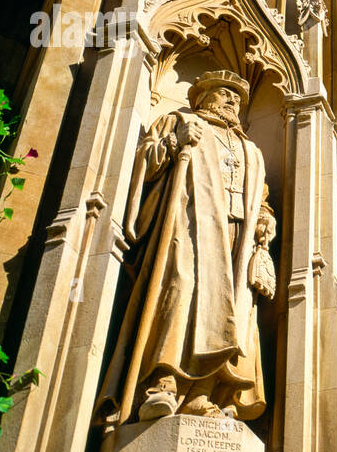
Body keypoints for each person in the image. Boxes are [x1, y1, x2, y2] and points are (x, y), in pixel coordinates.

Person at [98, 70, 276, 425]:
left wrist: (265, 219)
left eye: (238, 98)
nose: (232, 102)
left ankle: (201, 396)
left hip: (235, 235)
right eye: (224, 93)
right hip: (188, 224)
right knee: (179, 291)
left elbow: (263, 198)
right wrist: (173, 142)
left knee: (231, 311)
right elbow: (144, 163)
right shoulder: (178, 120)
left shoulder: (250, 149)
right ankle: (161, 382)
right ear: (202, 97)